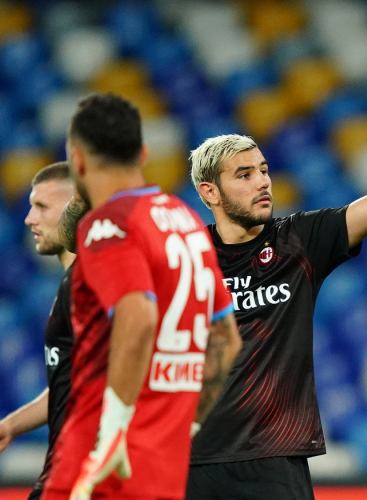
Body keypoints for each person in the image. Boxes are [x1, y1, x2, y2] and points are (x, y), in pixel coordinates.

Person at [184, 67, 367, 500]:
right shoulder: (182, 256)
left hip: (275, 458)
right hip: (190, 461)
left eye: (263, 170)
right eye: (244, 175)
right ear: (210, 192)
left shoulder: (299, 239)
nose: (262, 182)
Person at [41, 93, 242, 500]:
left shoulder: (108, 224)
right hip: (162, 471)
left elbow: (138, 319)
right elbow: (227, 339)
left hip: (96, 464)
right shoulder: (185, 221)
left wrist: (113, 434)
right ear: (144, 154)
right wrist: (186, 427)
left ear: (77, 161)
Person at [0, 163, 75, 500]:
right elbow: (72, 381)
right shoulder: (71, 287)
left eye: (42, 207)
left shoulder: (96, 287)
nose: (29, 218)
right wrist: (11, 426)